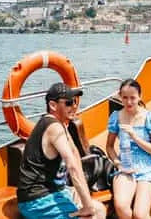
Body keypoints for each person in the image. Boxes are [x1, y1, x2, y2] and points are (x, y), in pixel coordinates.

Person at [17, 82, 106, 219]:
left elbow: (75, 156)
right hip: (37, 199)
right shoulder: (53, 127)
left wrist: (86, 201)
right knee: (92, 216)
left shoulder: (61, 125)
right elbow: (72, 166)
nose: (74, 106)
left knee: (99, 210)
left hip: (57, 191)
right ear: (53, 105)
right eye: (69, 103)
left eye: (75, 102)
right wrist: (87, 207)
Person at [106, 79, 151, 219]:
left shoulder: (149, 117)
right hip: (125, 166)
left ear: (140, 96)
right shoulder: (116, 117)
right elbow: (109, 146)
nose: (129, 102)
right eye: (125, 98)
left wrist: (135, 137)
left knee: (140, 214)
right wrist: (117, 163)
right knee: (121, 206)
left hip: (146, 167)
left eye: (132, 98)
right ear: (120, 97)